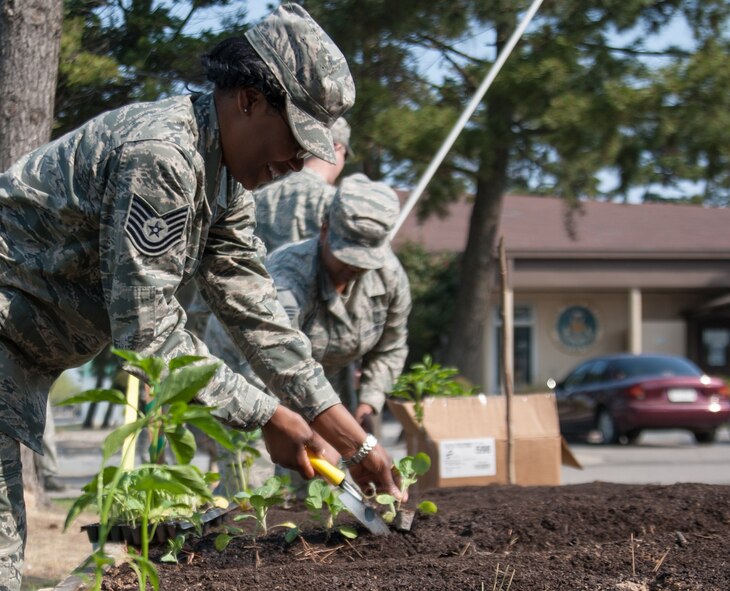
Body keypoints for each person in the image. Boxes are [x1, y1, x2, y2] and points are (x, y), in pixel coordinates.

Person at [0, 5, 400, 589]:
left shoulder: (223, 180)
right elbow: (149, 334)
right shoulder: (162, 156)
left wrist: (351, 437)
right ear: (248, 99)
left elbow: (258, 312)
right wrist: (266, 414)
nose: (297, 163)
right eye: (296, 136)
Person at [205, 173, 411, 492]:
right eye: (346, 254)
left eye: (365, 258)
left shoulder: (390, 280)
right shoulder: (287, 278)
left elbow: (391, 348)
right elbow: (277, 367)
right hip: (251, 376)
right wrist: (323, 433)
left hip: (318, 381)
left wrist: (367, 405)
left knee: (319, 488)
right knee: (253, 486)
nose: (353, 267)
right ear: (325, 229)